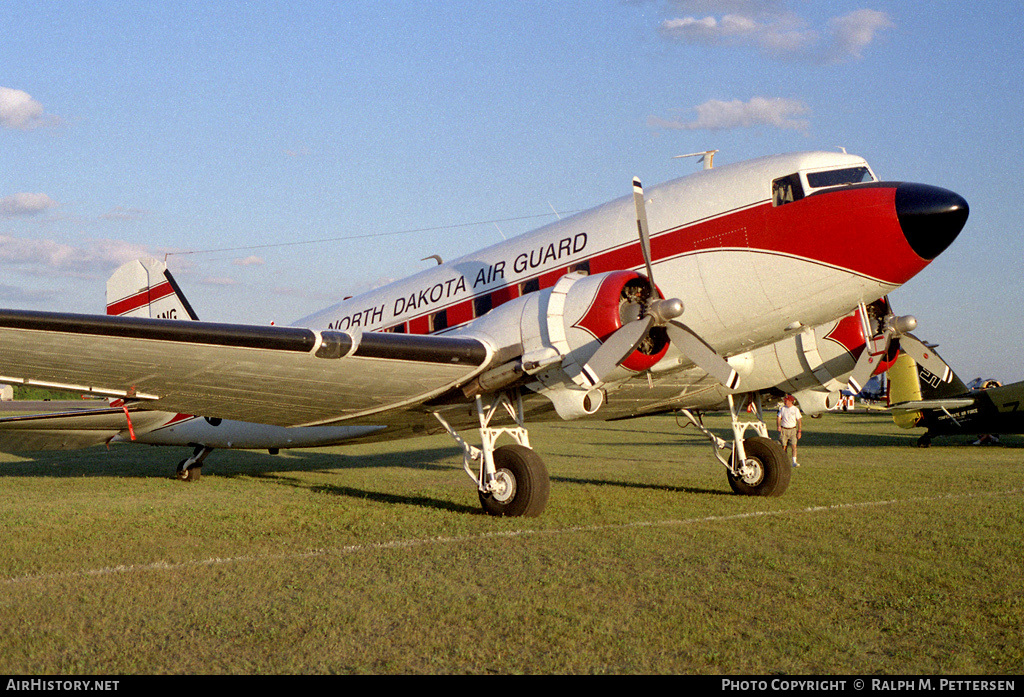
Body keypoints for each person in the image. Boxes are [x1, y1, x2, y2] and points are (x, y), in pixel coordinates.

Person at [776, 395, 802, 467]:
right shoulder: (783, 409)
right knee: (783, 446)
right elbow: (779, 417)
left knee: (794, 446)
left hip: (792, 430)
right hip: (784, 429)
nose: (785, 402)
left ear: (791, 401)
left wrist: (799, 431)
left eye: (786, 401)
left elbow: (799, 420)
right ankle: (784, 461)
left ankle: (794, 461)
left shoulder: (795, 409)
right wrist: (778, 425)